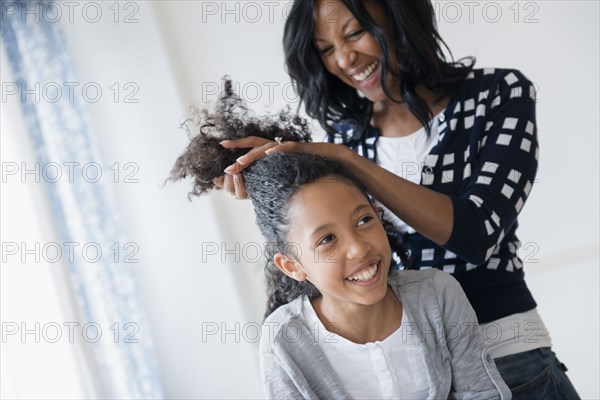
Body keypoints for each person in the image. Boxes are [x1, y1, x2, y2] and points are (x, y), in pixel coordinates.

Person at [216, 0, 580, 398]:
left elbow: (478, 232)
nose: (345, 58)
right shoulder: (347, 138)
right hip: (420, 370)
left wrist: (347, 161)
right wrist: (268, 177)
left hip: (508, 352)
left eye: (355, 33)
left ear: (399, 17)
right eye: (326, 49)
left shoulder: (498, 94)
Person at [170, 83, 511, 398]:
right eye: (327, 239)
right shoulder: (284, 342)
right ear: (292, 265)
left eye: (364, 220)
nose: (359, 247)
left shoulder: (436, 296)